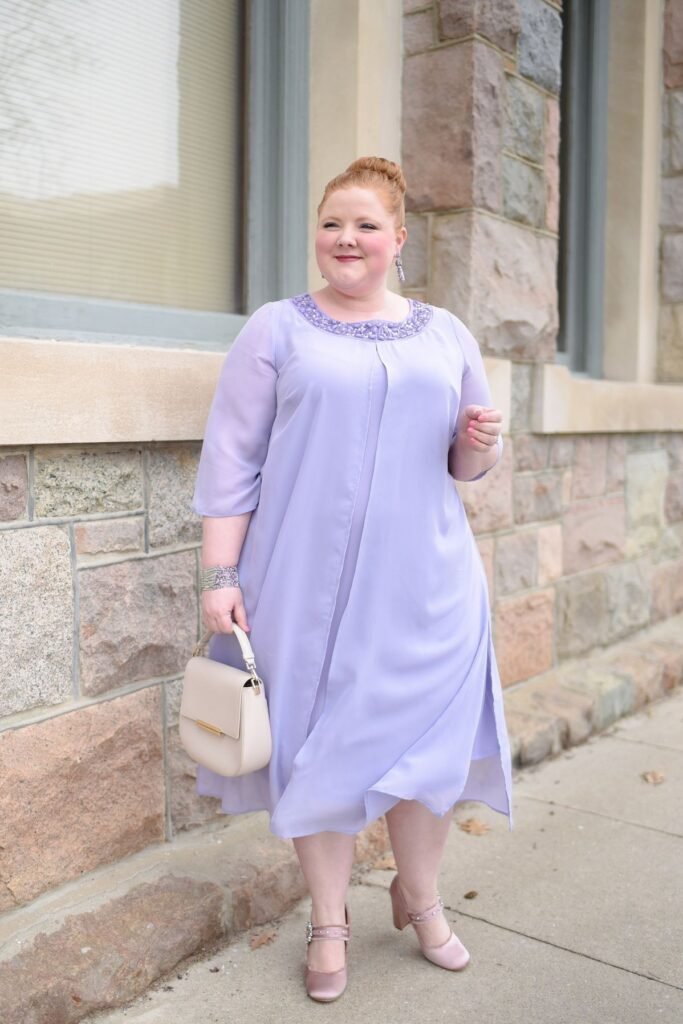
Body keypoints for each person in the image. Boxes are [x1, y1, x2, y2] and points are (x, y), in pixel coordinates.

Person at [191, 156, 513, 1003]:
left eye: (366, 225)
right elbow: (231, 460)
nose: (346, 238)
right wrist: (220, 572)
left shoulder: (445, 333)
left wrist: (480, 439)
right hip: (304, 588)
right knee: (320, 751)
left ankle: (421, 895)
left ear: (397, 240)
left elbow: (466, 461)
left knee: (426, 756)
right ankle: (328, 919)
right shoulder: (275, 329)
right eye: (333, 222)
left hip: (429, 586)